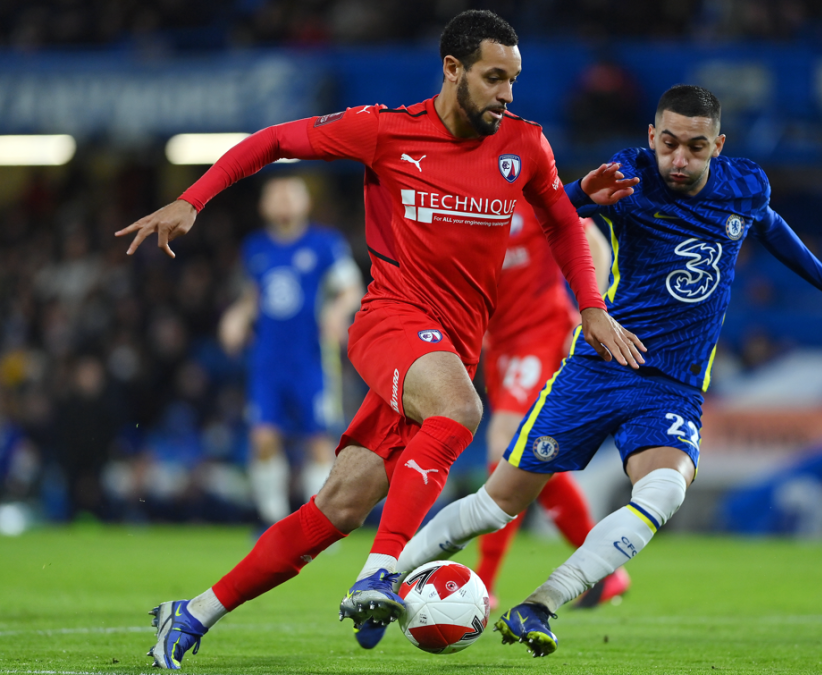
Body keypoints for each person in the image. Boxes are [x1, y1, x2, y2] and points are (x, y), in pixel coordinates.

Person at [116, 10, 644, 669]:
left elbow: (563, 225)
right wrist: (194, 198)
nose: (507, 92)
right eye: (492, 78)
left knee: (335, 506)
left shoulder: (524, 145)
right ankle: (381, 571)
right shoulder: (386, 131)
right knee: (461, 411)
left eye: (512, 79)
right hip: (390, 321)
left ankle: (191, 613)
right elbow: (275, 139)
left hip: (448, 349)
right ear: (452, 70)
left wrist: (590, 306)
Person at [391, 84, 822, 657]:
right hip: (598, 369)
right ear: (652, 137)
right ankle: (384, 577)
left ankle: (541, 603)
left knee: (665, 488)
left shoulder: (744, 187)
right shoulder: (628, 178)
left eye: (697, 148)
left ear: (718, 146)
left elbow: (770, 225)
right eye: (671, 144)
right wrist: (583, 192)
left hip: (673, 386)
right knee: (496, 502)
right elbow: (548, 213)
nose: (680, 160)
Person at [477, 198, 630, 609]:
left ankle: (482, 583)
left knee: (504, 443)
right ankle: (608, 572)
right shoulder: (470, 204)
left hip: (543, 334)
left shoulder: (534, 198)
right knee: (532, 458)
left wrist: (589, 314)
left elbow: (594, 243)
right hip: (500, 344)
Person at [219, 176, 362, 526]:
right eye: (275, 195)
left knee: (318, 440)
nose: (283, 201)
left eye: (290, 195)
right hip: (268, 361)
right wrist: (237, 317)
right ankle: (274, 523)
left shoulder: (325, 244)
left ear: (305, 203)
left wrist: (337, 311)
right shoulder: (255, 247)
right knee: (263, 438)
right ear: (263, 206)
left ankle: (318, 525)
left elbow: (351, 288)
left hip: (312, 359)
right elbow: (256, 295)